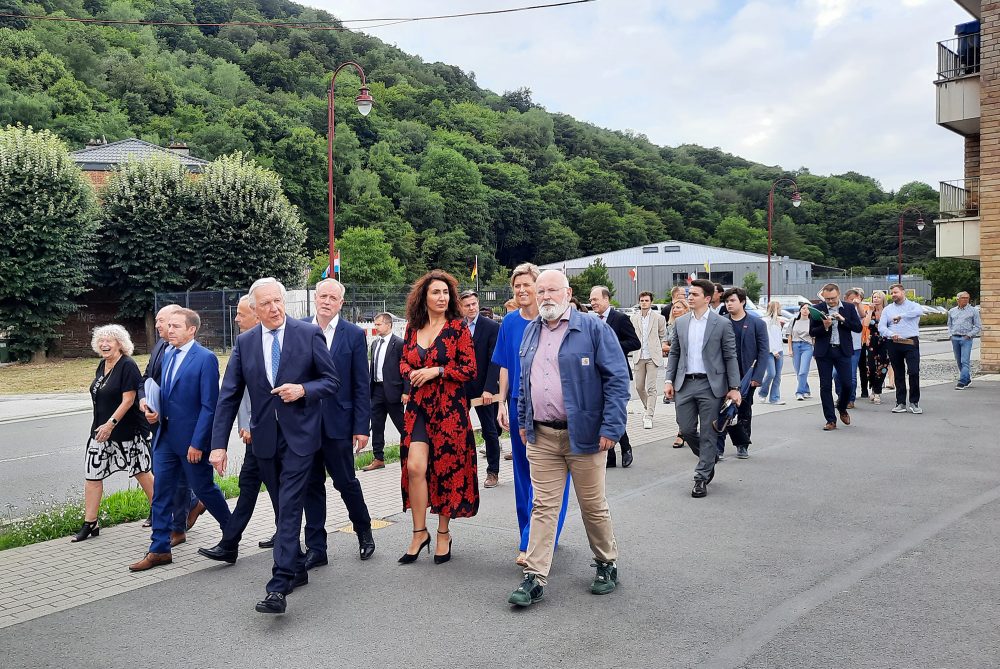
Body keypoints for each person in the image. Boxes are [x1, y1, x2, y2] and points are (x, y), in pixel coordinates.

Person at [209, 277, 340, 614]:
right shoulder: (246, 342)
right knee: (283, 507)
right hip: (265, 440)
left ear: (285, 302)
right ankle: (296, 568)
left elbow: (330, 380)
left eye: (277, 301)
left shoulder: (308, 334)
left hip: (301, 438)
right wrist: (218, 445)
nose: (273, 308)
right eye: (265, 303)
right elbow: (229, 396)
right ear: (255, 309)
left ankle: (278, 585)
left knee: (291, 505)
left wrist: (303, 390)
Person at [507, 270, 629, 607]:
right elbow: (523, 383)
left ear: (568, 292)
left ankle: (606, 562)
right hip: (543, 435)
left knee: (592, 505)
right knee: (543, 505)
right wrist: (522, 420)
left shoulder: (592, 328)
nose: (545, 296)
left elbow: (617, 379)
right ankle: (534, 577)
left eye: (551, 290)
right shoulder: (532, 331)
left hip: (585, 434)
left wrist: (611, 427)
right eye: (540, 290)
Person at [130, 309, 232, 571]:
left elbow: (209, 406)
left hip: (191, 443)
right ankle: (159, 549)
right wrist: (152, 411)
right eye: (168, 325)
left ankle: (232, 535)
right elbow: (165, 394)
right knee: (162, 494)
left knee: (205, 490)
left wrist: (198, 443)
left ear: (191, 330)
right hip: (164, 437)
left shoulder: (205, 359)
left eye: (176, 326)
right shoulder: (167, 353)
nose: (169, 330)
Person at [398, 270, 479, 565]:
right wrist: (412, 373)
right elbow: (404, 362)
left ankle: (443, 532)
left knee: (446, 470)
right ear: (424, 297)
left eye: (446, 293)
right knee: (416, 467)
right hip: (419, 406)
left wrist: (438, 371)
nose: (442, 297)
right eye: (436, 292)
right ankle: (420, 532)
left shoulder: (458, 328)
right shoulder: (412, 327)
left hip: (449, 410)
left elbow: (470, 369)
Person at [495, 263, 571, 567]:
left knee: (554, 474)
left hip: (549, 408)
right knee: (523, 474)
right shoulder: (510, 323)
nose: (522, 290)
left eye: (528, 285)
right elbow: (503, 364)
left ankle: (538, 538)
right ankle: (528, 533)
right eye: (517, 286)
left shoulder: (551, 322)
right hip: (517, 405)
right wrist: (501, 402)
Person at [198, 296, 279, 564]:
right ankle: (229, 544)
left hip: (269, 433)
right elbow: (233, 393)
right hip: (254, 435)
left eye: (241, 314)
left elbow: (260, 392)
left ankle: (288, 540)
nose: (235, 319)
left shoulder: (270, 342)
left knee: (277, 489)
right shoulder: (245, 344)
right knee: (247, 487)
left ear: (256, 316)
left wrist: (248, 424)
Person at [301, 279, 376, 568]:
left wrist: (361, 427)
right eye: (323, 296)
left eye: (333, 297)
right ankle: (316, 548)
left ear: (341, 303)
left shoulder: (353, 335)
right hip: (306, 425)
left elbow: (361, 384)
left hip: (339, 424)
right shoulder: (300, 330)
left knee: (345, 482)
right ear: (315, 298)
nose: (327, 301)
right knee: (311, 486)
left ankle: (364, 531)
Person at [72, 325, 153, 543]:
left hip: (126, 431)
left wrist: (111, 424)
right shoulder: (102, 364)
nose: (104, 344)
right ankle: (91, 523)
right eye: (101, 341)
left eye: (109, 340)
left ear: (120, 344)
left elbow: (129, 400)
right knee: (92, 475)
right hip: (100, 431)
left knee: (141, 472)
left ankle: (160, 511)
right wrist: (103, 426)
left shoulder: (127, 365)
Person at [663, 280, 741, 498]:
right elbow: (675, 354)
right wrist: (669, 380)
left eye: (695, 294)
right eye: (689, 293)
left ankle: (701, 478)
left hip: (711, 385)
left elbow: (730, 356)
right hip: (685, 384)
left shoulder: (722, 324)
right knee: (686, 429)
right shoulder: (681, 323)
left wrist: (734, 387)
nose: (689, 297)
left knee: (709, 432)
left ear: (707, 298)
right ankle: (709, 457)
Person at [138, 304, 201, 535]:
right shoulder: (160, 348)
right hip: (158, 423)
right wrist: (144, 400)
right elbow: (146, 379)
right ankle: (168, 527)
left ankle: (180, 525)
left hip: (182, 427)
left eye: (162, 321)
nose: (158, 326)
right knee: (166, 477)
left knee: (184, 479)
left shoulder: (197, 356)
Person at [589, 285, 641, 468]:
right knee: (603, 413)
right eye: (591, 299)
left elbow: (635, 342)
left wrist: (611, 346)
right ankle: (610, 457)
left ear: (606, 299)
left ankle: (626, 448)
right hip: (596, 375)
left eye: (595, 299)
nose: (592, 303)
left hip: (616, 373)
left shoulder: (620, 318)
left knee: (612, 412)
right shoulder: (592, 321)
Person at [717, 288, 768, 459]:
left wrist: (757, 377)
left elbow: (763, 351)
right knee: (723, 410)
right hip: (724, 375)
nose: (729, 304)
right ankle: (718, 447)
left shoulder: (757, 324)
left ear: (742, 301)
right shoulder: (721, 321)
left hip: (747, 375)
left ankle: (742, 444)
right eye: (726, 301)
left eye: (732, 300)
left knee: (743, 410)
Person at [460, 290, 502, 488]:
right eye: (467, 305)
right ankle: (462, 471)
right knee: (459, 430)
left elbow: (495, 360)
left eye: (474, 304)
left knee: (489, 431)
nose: (471, 308)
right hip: (461, 388)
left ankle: (493, 471)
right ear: (461, 307)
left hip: (484, 388)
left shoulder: (491, 327)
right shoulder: (457, 326)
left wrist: (488, 389)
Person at [809, 283, 862, 431]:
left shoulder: (849, 308)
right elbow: (812, 332)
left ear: (838, 294)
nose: (830, 301)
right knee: (825, 386)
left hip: (842, 350)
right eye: (827, 299)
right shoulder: (818, 309)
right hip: (824, 352)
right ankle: (830, 420)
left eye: (832, 298)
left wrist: (843, 320)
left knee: (847, 384)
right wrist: (825, 326)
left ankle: (842, 406)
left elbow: (857, 328)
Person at [366, 312, 405, 471]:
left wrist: (406, 391)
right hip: (377, 390)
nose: (376, 327)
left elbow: (405, 369)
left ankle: (410, 453)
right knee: (377, 425)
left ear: (388, 325)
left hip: (394, 391)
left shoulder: (399, 343)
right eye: (375, 324)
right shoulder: (375, 344)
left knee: (402, 425)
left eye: (378, 324)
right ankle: (378, 458)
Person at [878, 284, 925, 414]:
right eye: (891, 293)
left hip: (910, 341)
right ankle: (900, 402)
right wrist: (891, 334)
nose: (893, 295)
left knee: (914, 371)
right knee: (898, 373)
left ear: (903, 292)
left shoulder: (913, 306)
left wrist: (901, 316)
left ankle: (914, 402)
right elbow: (881, 327)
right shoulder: (887, 309)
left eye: (896, 292)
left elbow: (919, 311)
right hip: (894, 342)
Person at [629, 291, 667, 429]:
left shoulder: (659, 318)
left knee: (651, 388)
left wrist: (658, 348)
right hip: (639, 356)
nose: (644, 302)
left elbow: (662, 335)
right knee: (639, 387)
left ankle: (649, 416)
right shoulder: (634, 318)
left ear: (651, 302)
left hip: (652, 357)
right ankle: (648, 408)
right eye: (642, 300)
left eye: (646, 300)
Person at [833, 288, 866, 408]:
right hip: (840, 345)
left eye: (856, 299)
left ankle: (850, 399)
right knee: (836, 374)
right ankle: (841, 396)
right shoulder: (840, 309)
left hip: (855, 346)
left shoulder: (857, 309)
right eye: (851, 299)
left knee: (851, 374)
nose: (853, 301)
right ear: (845, 299)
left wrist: (858, 304)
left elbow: (863, 315)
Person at [664, 299, 690, 446]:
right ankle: (682, 430)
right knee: (679, 403)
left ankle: (686, 431)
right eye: (674, 308)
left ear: (686, 309)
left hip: (689, 369)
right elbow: (666, 345)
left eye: (679, 307)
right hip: (676, 368)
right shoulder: (671, 326)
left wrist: (671, 347)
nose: (675, 310)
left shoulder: (691, 325)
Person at [948, 291, 981, 390]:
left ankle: (961, 382)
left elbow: (978, 326)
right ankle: (967, 379)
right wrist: (950, 335)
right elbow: (949, 325)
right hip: (955, 338)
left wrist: (969, 335)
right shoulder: (952, 311)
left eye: (967, 298)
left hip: (966, 338)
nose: (966, 300)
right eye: (963, 298)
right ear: (958, 299)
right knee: (959, 361)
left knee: (964, 361)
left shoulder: (973, 311)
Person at [864, 290, 890, 405]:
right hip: (872, 340)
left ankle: (877, 391)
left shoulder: (887, 311)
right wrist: (870, 310)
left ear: (883, 299)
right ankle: (873, 387)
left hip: (885, 340)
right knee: (871, 367)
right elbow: (866, 324)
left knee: (883, 366)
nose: (876, 299)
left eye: (878, 297)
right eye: (874, 297)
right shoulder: (870, 310)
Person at [758, 300, 786, 405]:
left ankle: (774, 398)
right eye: (779, 308)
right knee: (771, 373)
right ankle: (762, 392)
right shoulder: (765, 321)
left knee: (777, 376)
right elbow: (767, 337)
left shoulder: (778, 321)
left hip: (779, 350)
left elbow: (778, 337)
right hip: (769, 351)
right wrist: (774, 351)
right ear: (775, 308)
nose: (780, 310)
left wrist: (780, 349)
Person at [787, 303, 815, 401]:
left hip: (807, 346)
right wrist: (790, 349)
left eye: (807, 309)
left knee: (803, 371)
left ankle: (799, 392)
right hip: (795, 345)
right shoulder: (794, 320)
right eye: (803, 308)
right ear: (800, 310)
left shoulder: (812, 321)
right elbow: (789, 335)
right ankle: (806, 389)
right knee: (798, 371)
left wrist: (815, 351)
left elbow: (814, 337)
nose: (805, 310)